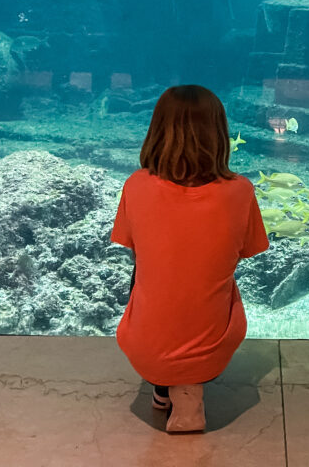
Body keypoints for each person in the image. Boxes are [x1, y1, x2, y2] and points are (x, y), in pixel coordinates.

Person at [110, 85, 269, 432]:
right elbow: (244, 251)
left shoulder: (135, 185)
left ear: (157, 131)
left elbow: (138, 249)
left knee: (150, 276)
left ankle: (164, 382)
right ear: (218, 134)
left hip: (143, 345)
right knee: (216, 281)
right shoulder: (241, 191)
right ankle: (188, 394)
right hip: (211, 347)